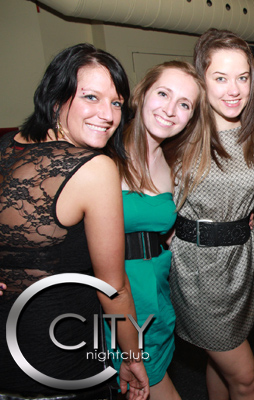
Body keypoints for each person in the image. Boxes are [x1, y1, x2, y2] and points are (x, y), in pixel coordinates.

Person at [0, 43, 149, 399]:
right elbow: (113, 287)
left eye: (116, 103)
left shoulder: (6, 146)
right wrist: (132, 357)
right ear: (56, 99)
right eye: (91, 97)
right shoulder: (94, 168)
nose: (108, 115)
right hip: (58, 358)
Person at [169, 29, 254, 400]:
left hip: (242, 261)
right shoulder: (179, 131)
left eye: (242, 78)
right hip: (197, 268)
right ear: (201, 79)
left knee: (219, 362)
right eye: (220, 78)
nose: (234, 90)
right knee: (245, 379)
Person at [104, 60, 208, 400]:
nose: (170, 109)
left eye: (184, 104)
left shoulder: (172, 161)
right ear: (142, 93)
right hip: (116, 299)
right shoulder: (105, 151)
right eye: (163, 93)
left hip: (157, 292)